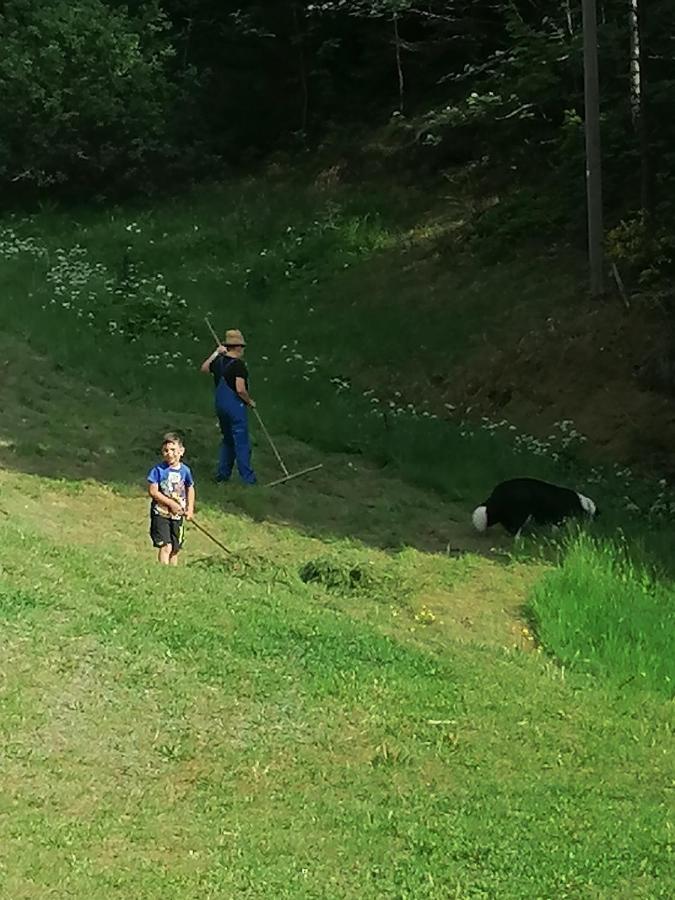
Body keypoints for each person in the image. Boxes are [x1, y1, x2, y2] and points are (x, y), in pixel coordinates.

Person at [200, 328, 257, 485]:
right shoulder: (239, 365)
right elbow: (240, 389)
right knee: (242, 442)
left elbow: (204, 368)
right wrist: (249, 401)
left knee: (227, 440)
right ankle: (248, 479)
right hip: (235, 407)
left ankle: (222, 474)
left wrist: (216, 353)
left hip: (220, 406)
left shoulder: (218, 362)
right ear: (238, 347)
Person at [147, 432, 195, 565]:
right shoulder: (158, 470)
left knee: (175, 547)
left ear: (181, 451)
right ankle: (163, 570)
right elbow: (153, 491)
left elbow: (190, 488)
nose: (169, 453)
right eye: (166, 450)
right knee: (166, 546)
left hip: (177, 516)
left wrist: (189, 509)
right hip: (161, 513)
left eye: (173, 450)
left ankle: (173, 572)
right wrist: (170, 504)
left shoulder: (185, 471)